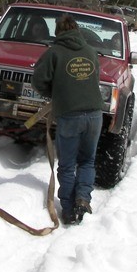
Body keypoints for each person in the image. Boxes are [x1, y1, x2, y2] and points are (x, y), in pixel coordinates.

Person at [31, 14, 103, 225]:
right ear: (77, 30)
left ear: (58, 32)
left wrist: (53, 92)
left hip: (70, 115)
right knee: (87, 160)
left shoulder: (53, 52)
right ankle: (83, 199)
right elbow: (95, 77)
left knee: (67, 163)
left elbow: (38, 80)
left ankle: (69, 209)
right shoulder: (90, 51)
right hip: (95, 115)